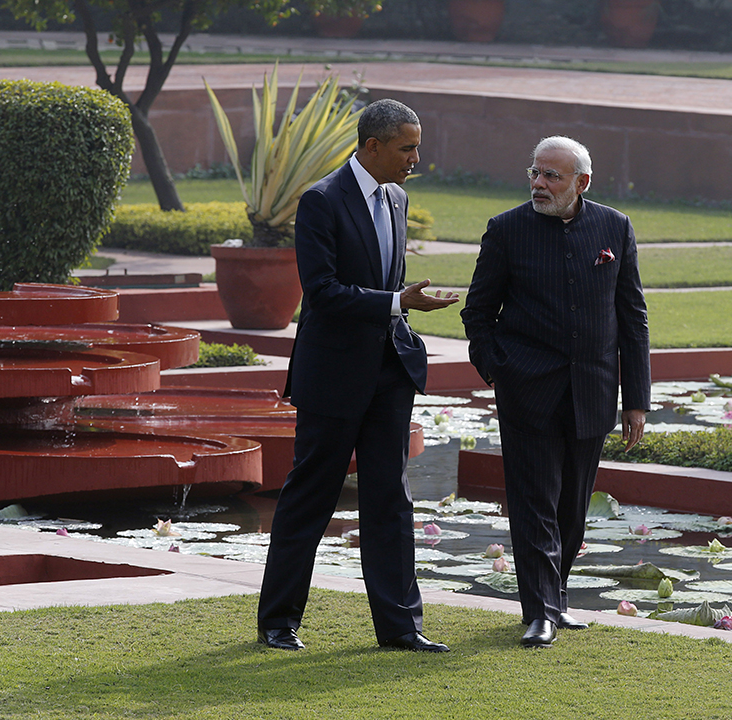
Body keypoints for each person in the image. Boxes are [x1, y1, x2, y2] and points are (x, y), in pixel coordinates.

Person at [257, 98, 458, 653]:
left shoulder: (397, 196)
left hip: (388, 372)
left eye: (417, 146)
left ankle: (400, 628)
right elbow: (321, 293)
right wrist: (398, 300)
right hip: (333, 376)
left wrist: (404, 304)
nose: (417, 158)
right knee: (311, 496)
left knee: (390, 498)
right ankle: (278, 622)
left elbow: (381, 286)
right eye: (407, 147)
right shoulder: (321, 200)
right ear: (373, 147)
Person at [461, 136, 651, 648]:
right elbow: (478, 313)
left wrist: (635, 399)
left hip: (592, 391)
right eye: (536, 173)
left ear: (581, 182)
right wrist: (497, 368)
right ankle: (540, 611)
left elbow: (632, 318)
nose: (539, 185)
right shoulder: (506, 230)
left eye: (552, 176)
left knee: (572, 505)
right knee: (534, 503)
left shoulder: (614, 227)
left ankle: (557, 597)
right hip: (526, 390)